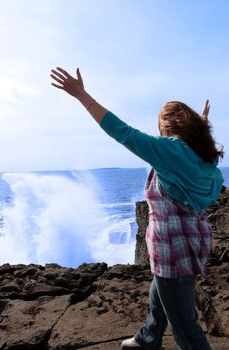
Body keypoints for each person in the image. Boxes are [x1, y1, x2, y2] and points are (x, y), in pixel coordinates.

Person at [50, 67, 224, 350]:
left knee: (186, 327)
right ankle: (147, 339)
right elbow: (195, 156)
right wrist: (203, 122)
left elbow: (123, 133)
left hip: (171, 249)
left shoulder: (170, 152)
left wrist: (83, 96)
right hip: (192, 242)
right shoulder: (204, 158)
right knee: (160, 297)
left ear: (166, 128)